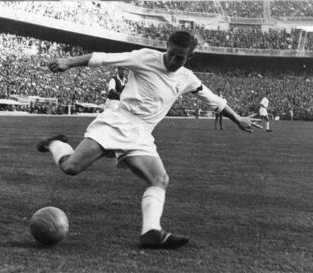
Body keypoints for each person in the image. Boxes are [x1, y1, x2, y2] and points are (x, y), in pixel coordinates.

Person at [38, 31, 261, 250]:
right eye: (171, 53)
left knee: (160, 179)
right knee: (71, 167)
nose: (173, 60)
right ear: (167, 46)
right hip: (118, 120)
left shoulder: (187, 78)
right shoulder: (145, 57)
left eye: (180, 57)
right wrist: (68, 61)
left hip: (141, 134)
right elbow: (103, 57)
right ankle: (54, 143)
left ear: (189, 57)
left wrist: (238, 118)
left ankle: (151, 232)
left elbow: (214, 100)